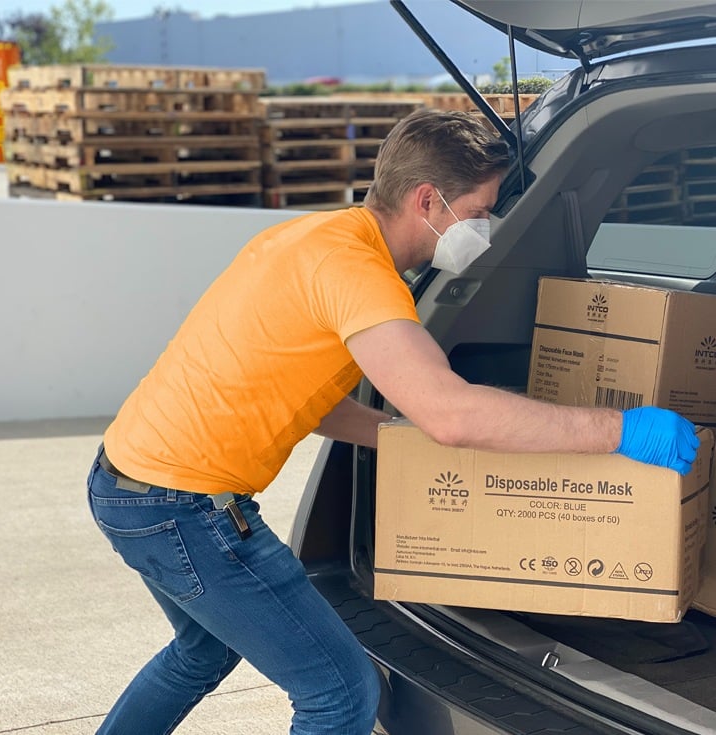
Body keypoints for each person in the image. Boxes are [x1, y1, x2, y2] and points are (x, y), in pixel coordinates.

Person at [87, 108, 699, 735]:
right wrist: (623, 431)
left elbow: (307, 396)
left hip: (127, 482)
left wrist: (395, 440)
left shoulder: (313, 239)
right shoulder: (360, 275)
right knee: (339, 693)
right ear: (428, 200)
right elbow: (452, 414)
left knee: (201, 654)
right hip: (184, 508)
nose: (486, 226)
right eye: (482, 209)